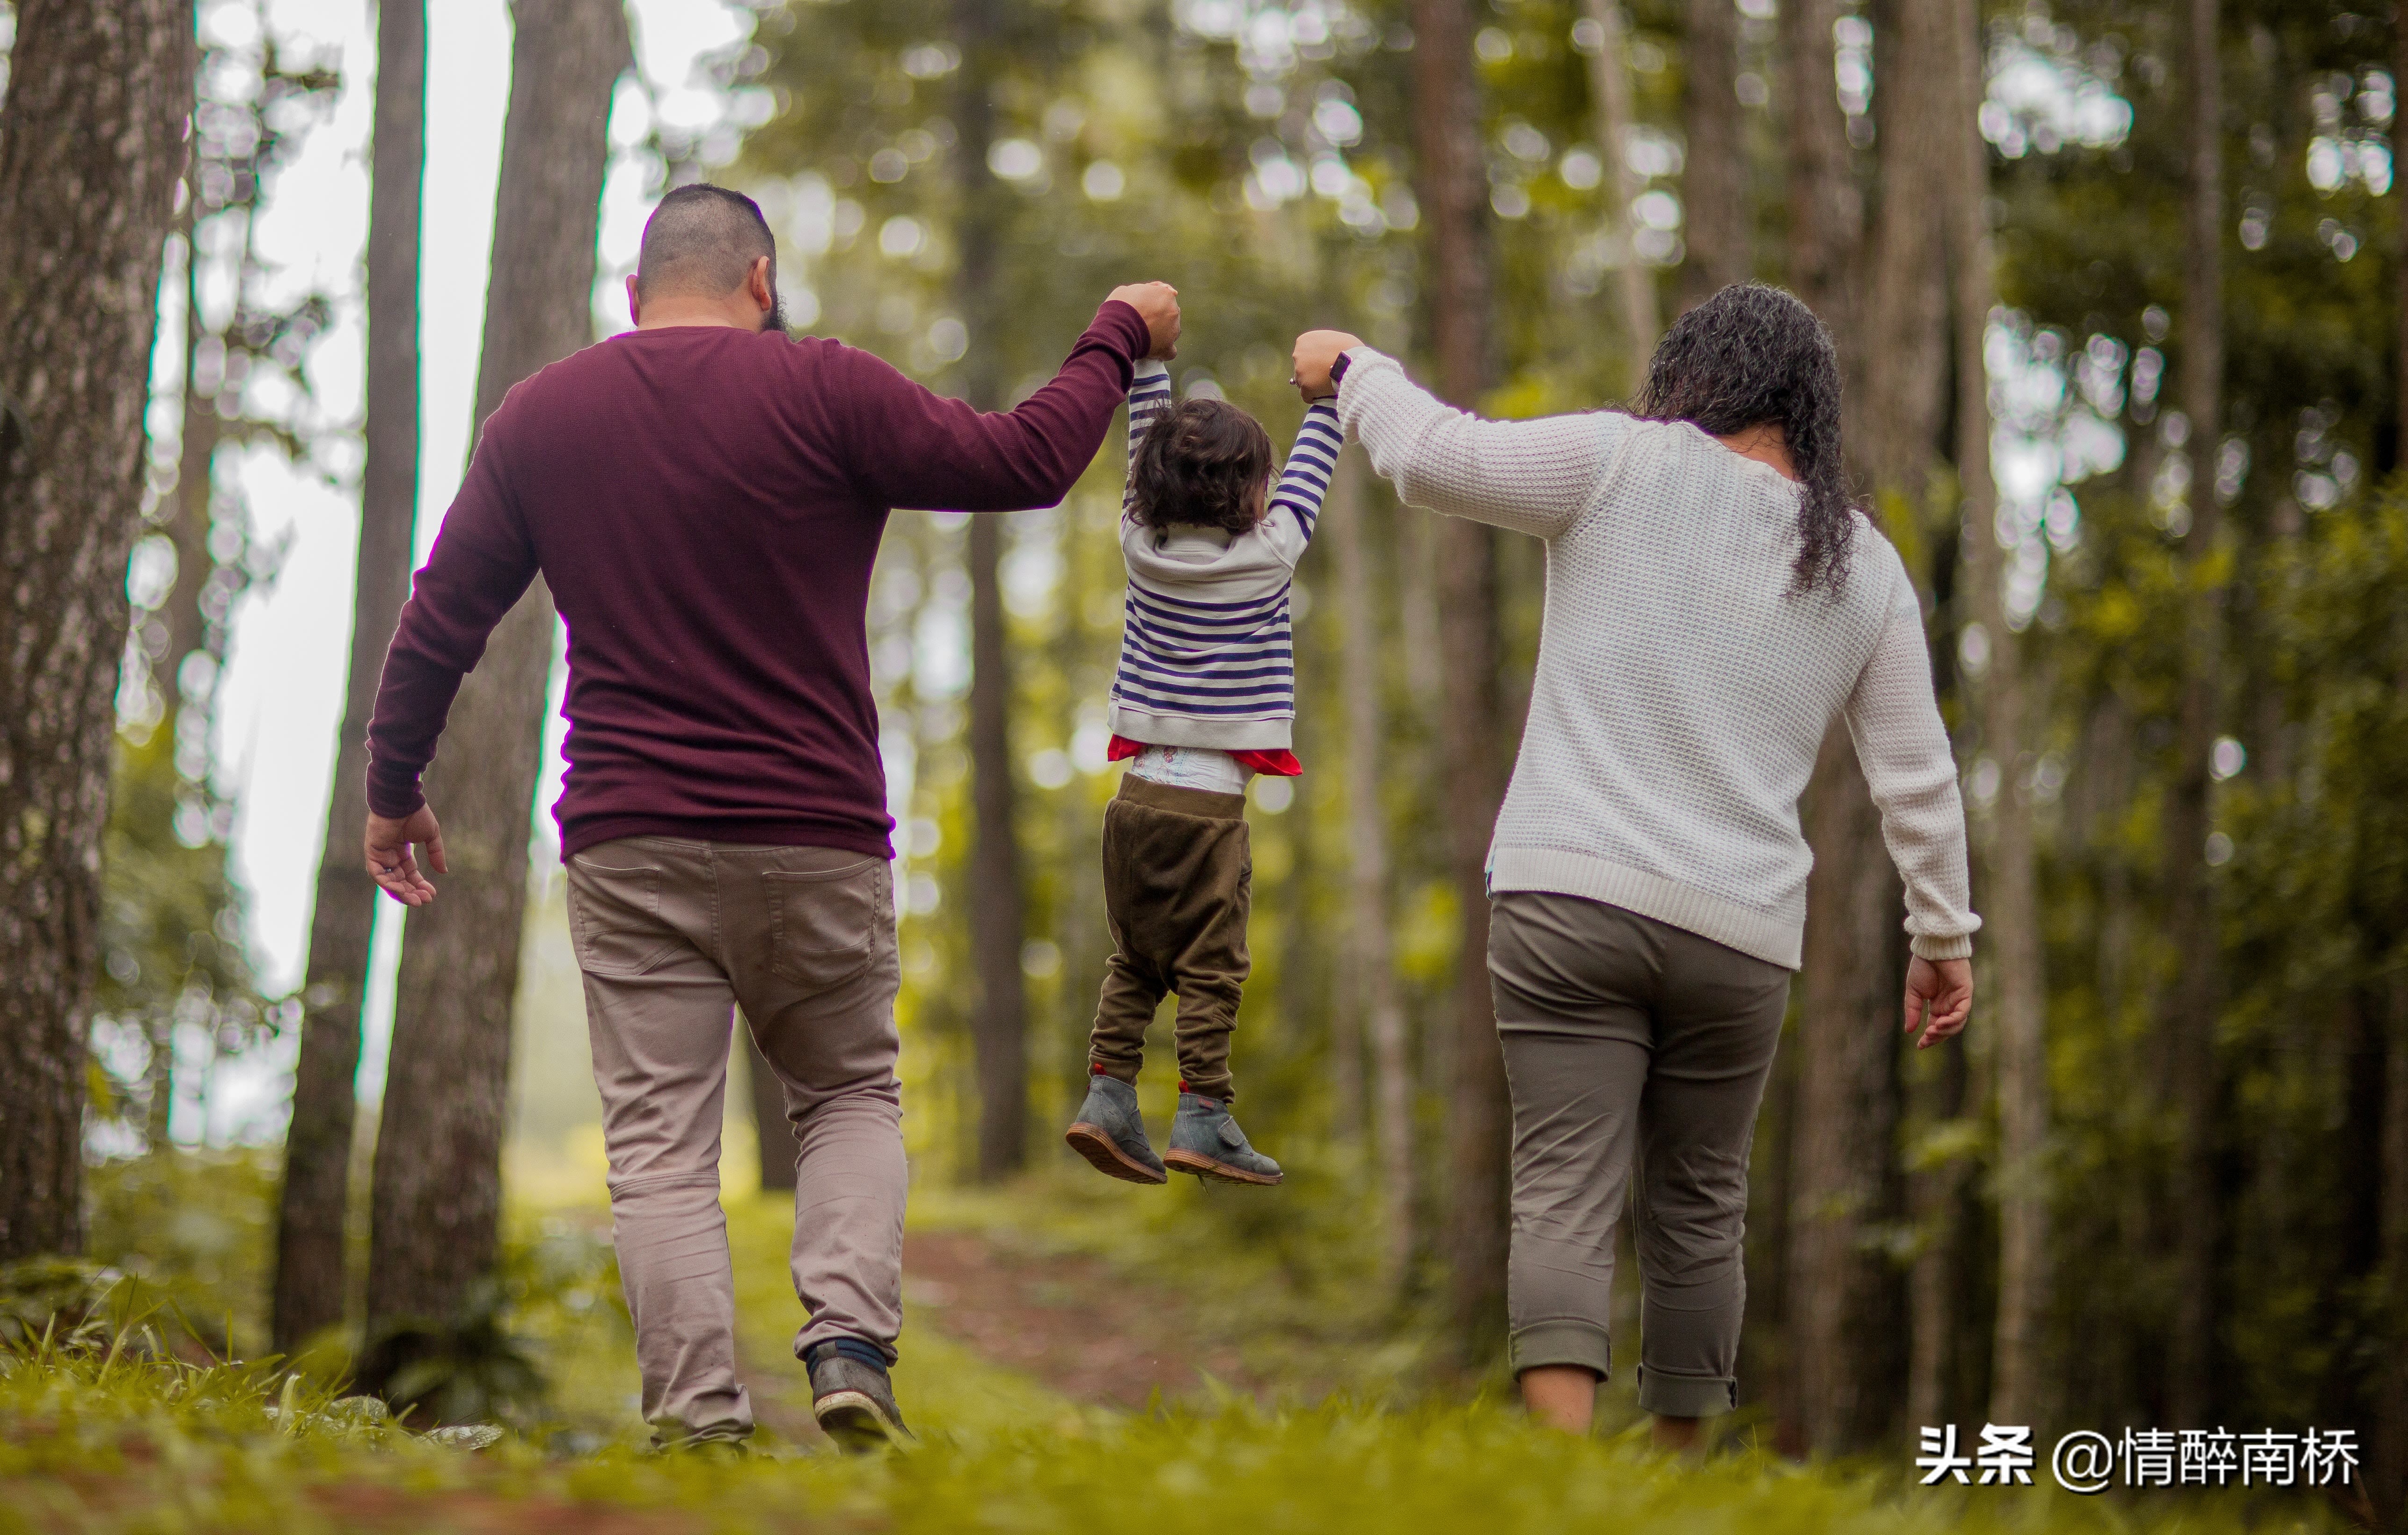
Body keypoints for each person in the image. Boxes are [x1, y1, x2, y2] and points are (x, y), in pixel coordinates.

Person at [360, 181, 1181, 1451]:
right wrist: (1116, 332)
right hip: (816, 831)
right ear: (762, 281)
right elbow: (1024, 463)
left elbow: (442, 618)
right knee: (849, 1091)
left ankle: (697, 1423)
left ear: (634, 299)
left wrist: (393, 786)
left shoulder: (544, 416)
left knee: (659, 1151)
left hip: (630, 838)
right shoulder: (826, 387)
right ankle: (851, 1345)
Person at [1288, 283, 1978, 1451]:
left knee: (1565, 1185)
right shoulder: (1862, 565)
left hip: (1570, 898)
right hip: (1741, 935)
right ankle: (1673, 1486)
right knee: (1702, 1210)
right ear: (1810, 409)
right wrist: (1943, 937)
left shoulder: (1619, 461)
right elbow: (1918, 774)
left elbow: (1432, 459)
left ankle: (1563, 1485)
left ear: (1693, 374)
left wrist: (1357, 366)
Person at [1062, 349, 1343, 1188]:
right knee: (1210, 969)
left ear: (1150, 488)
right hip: (1207, 813)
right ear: (1251, 496)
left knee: (1136, 961)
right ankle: (1203, 1113)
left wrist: (1148, 362)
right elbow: (1314, 467)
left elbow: (1137, 444)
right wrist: (1328, 396)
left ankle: (1108, 1094)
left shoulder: (1136, 547)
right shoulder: (1270, 555)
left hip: (1135, 802)